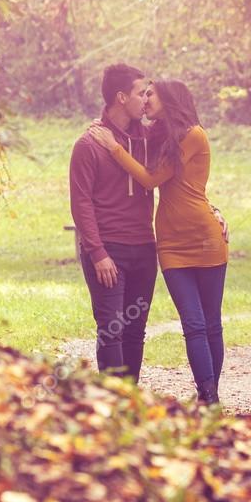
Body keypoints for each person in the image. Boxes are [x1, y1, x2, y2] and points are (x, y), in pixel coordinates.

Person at [88, 80, 229, 405]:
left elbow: (152, 179)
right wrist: (104, 126)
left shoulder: (194, 134)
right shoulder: (157, 136)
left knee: (210, 323)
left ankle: (209, 397)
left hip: (205, 238)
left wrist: (113, 147)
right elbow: (127, 128)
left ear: (170, 99)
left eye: (151, 94)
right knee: (193, 323)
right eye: (143, 93)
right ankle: (207, 395)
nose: (146, 99)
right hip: (169, 242)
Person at [69, 63, 160, 380]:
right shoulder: (88, 145)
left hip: (145, 250)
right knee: (112, 329)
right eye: (140, 92)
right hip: (108, 251)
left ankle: (128, 402)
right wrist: (98, 253)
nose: (146, 99)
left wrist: (213, 210)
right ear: (121, 97)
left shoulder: (150, 139)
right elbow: (81, 204)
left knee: (136, 331)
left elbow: (183, 177)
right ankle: (112, 406)